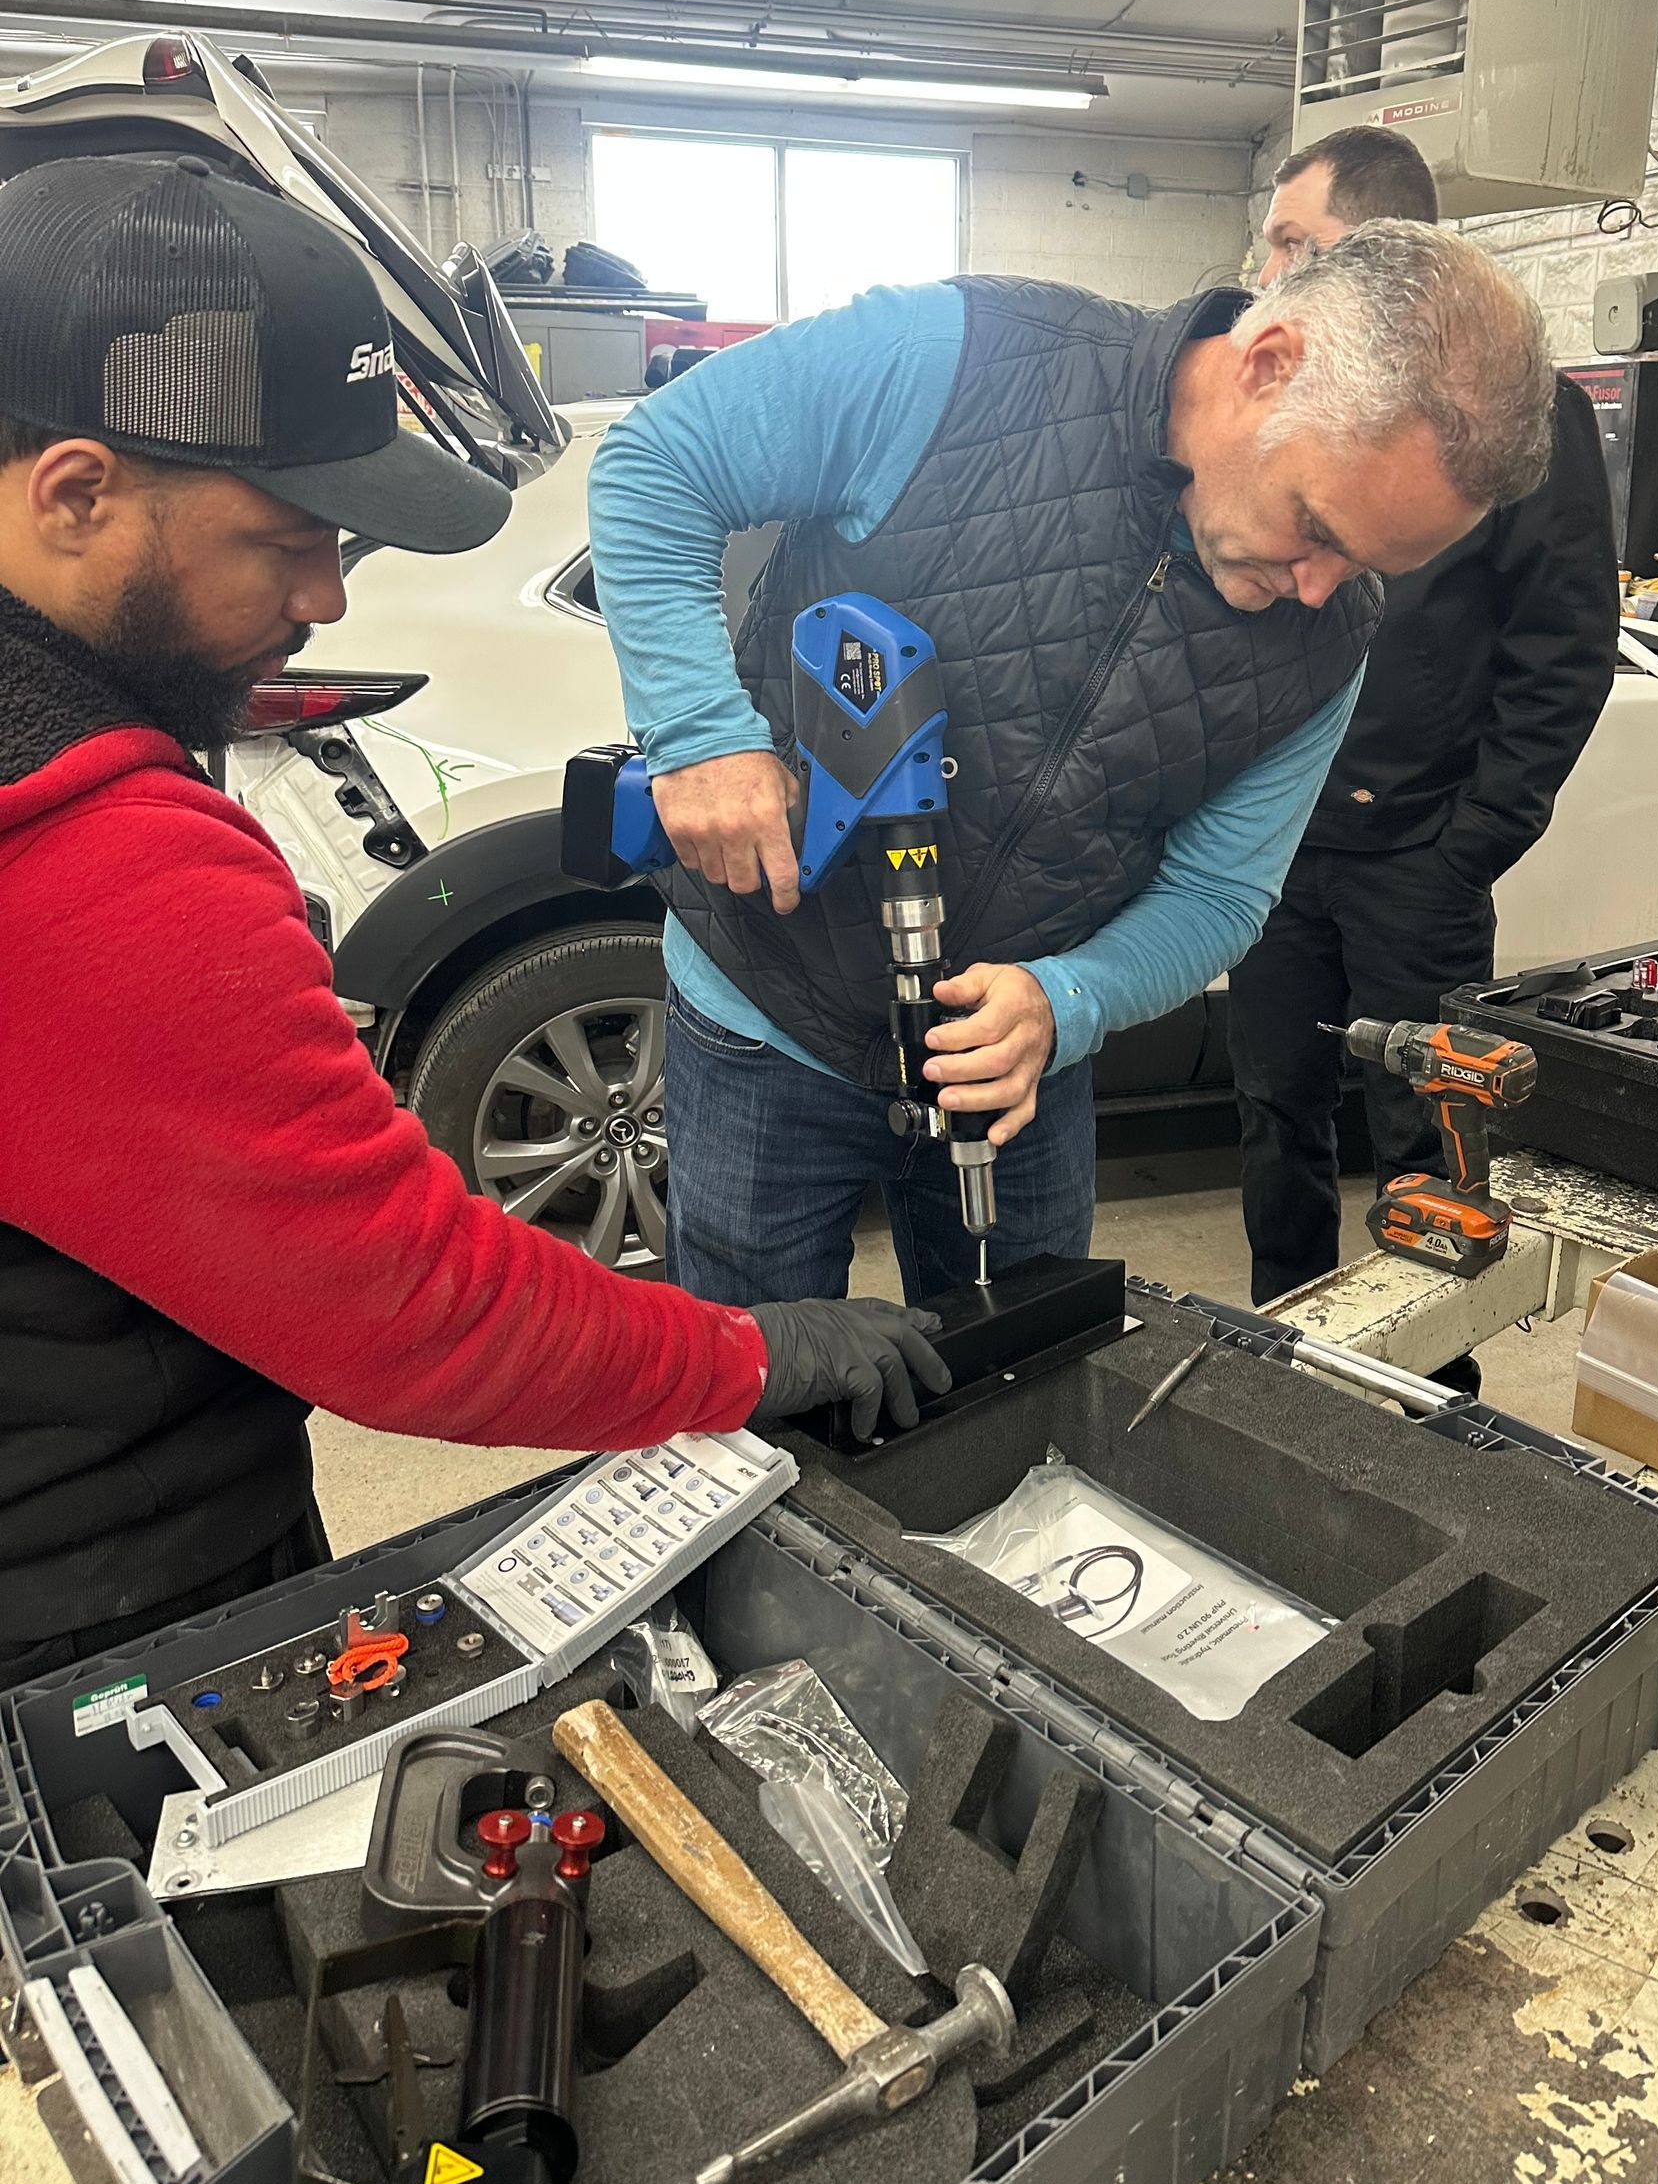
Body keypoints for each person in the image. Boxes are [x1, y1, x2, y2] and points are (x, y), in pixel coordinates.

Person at [0, 154, 948, 1695]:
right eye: (289, 534)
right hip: (99, 1594)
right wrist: (757, 1354)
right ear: (79, 493)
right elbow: (415, 1309)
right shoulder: (97, 861)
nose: (325, 598)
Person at [587, 228, 1556, 1310]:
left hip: (1017, 1077)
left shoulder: (1327, 640)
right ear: (1267, 362)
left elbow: (1218, 894)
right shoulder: (954, 359)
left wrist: (1063, 1003)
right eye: (1315, 528)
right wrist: (700, 732)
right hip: (766, 1018)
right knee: (746, 1402)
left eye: (1367, 565)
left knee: (1014, 1398)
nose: (1323, 588)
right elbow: (654, 466)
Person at [1229, 127, 1620, 1304]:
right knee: (1273, 1117)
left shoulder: (1515, 412)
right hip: (1274, 850)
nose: (1271, 274)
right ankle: (1274, 1357)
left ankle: (1434, 1393)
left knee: (1429, 1139)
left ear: (1385, 249)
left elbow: (1565, 652)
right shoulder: (1282, 392)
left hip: (1416, 858)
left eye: (1296, 244)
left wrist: (1465, 850)